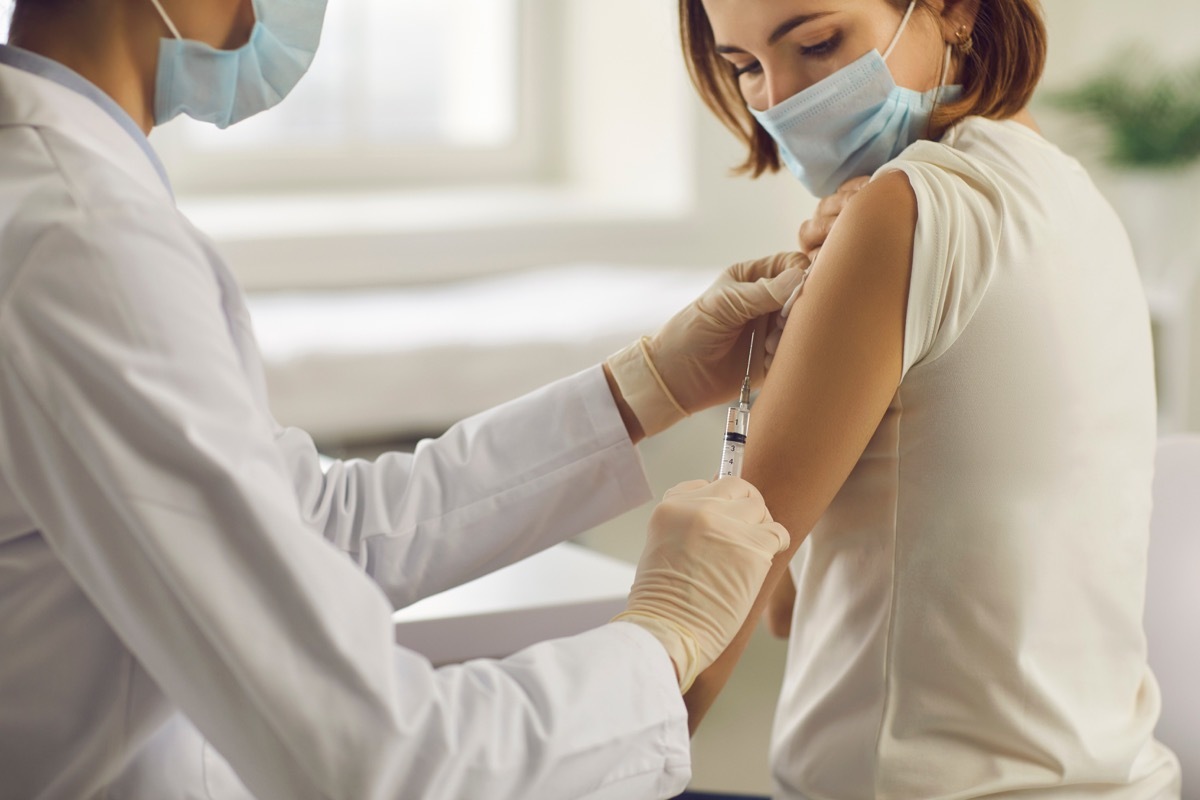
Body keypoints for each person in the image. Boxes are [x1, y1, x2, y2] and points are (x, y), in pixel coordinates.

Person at [0, 1, 808, 798]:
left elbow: (309, 523)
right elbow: (368, 756)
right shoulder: (83, 238)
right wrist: (662, 640)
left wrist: (650, 385)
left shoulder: (59, 194)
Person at [676, 0, 1184, 797]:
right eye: (744, 68)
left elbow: (731, 604)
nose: (780, 99)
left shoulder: (901, 210)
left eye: (816, 43)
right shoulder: (1068, 188)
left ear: (952, 11)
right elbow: (792, 607)